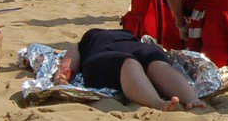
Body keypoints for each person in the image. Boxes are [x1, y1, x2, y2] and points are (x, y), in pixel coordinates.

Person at [52, 28, 206, 110]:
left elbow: (70, 59)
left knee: (129, 64)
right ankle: (192, 99)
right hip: (136, 46)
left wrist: (63, 75)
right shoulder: (127, 33)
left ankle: (158, 103)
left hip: (106, 52)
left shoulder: (87, 39)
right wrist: (63, 75)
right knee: (156, 64)